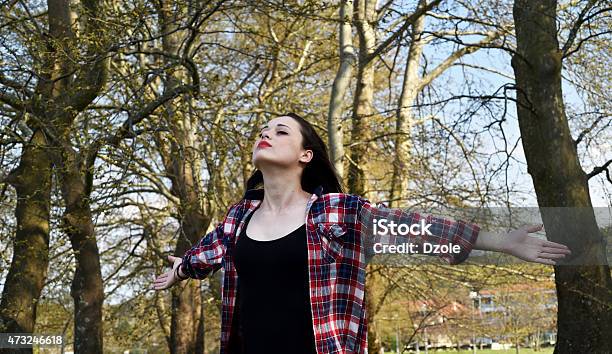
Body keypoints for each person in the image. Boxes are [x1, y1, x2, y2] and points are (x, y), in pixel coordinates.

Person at [153, 113, 571, 354]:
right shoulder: (238, 216)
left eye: (281, 131)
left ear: (305, 155)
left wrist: (501, 241)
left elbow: (416, 228)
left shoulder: (338, 211)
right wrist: (181, 270)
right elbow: (209, 252)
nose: (267, 133)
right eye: (264, 129)